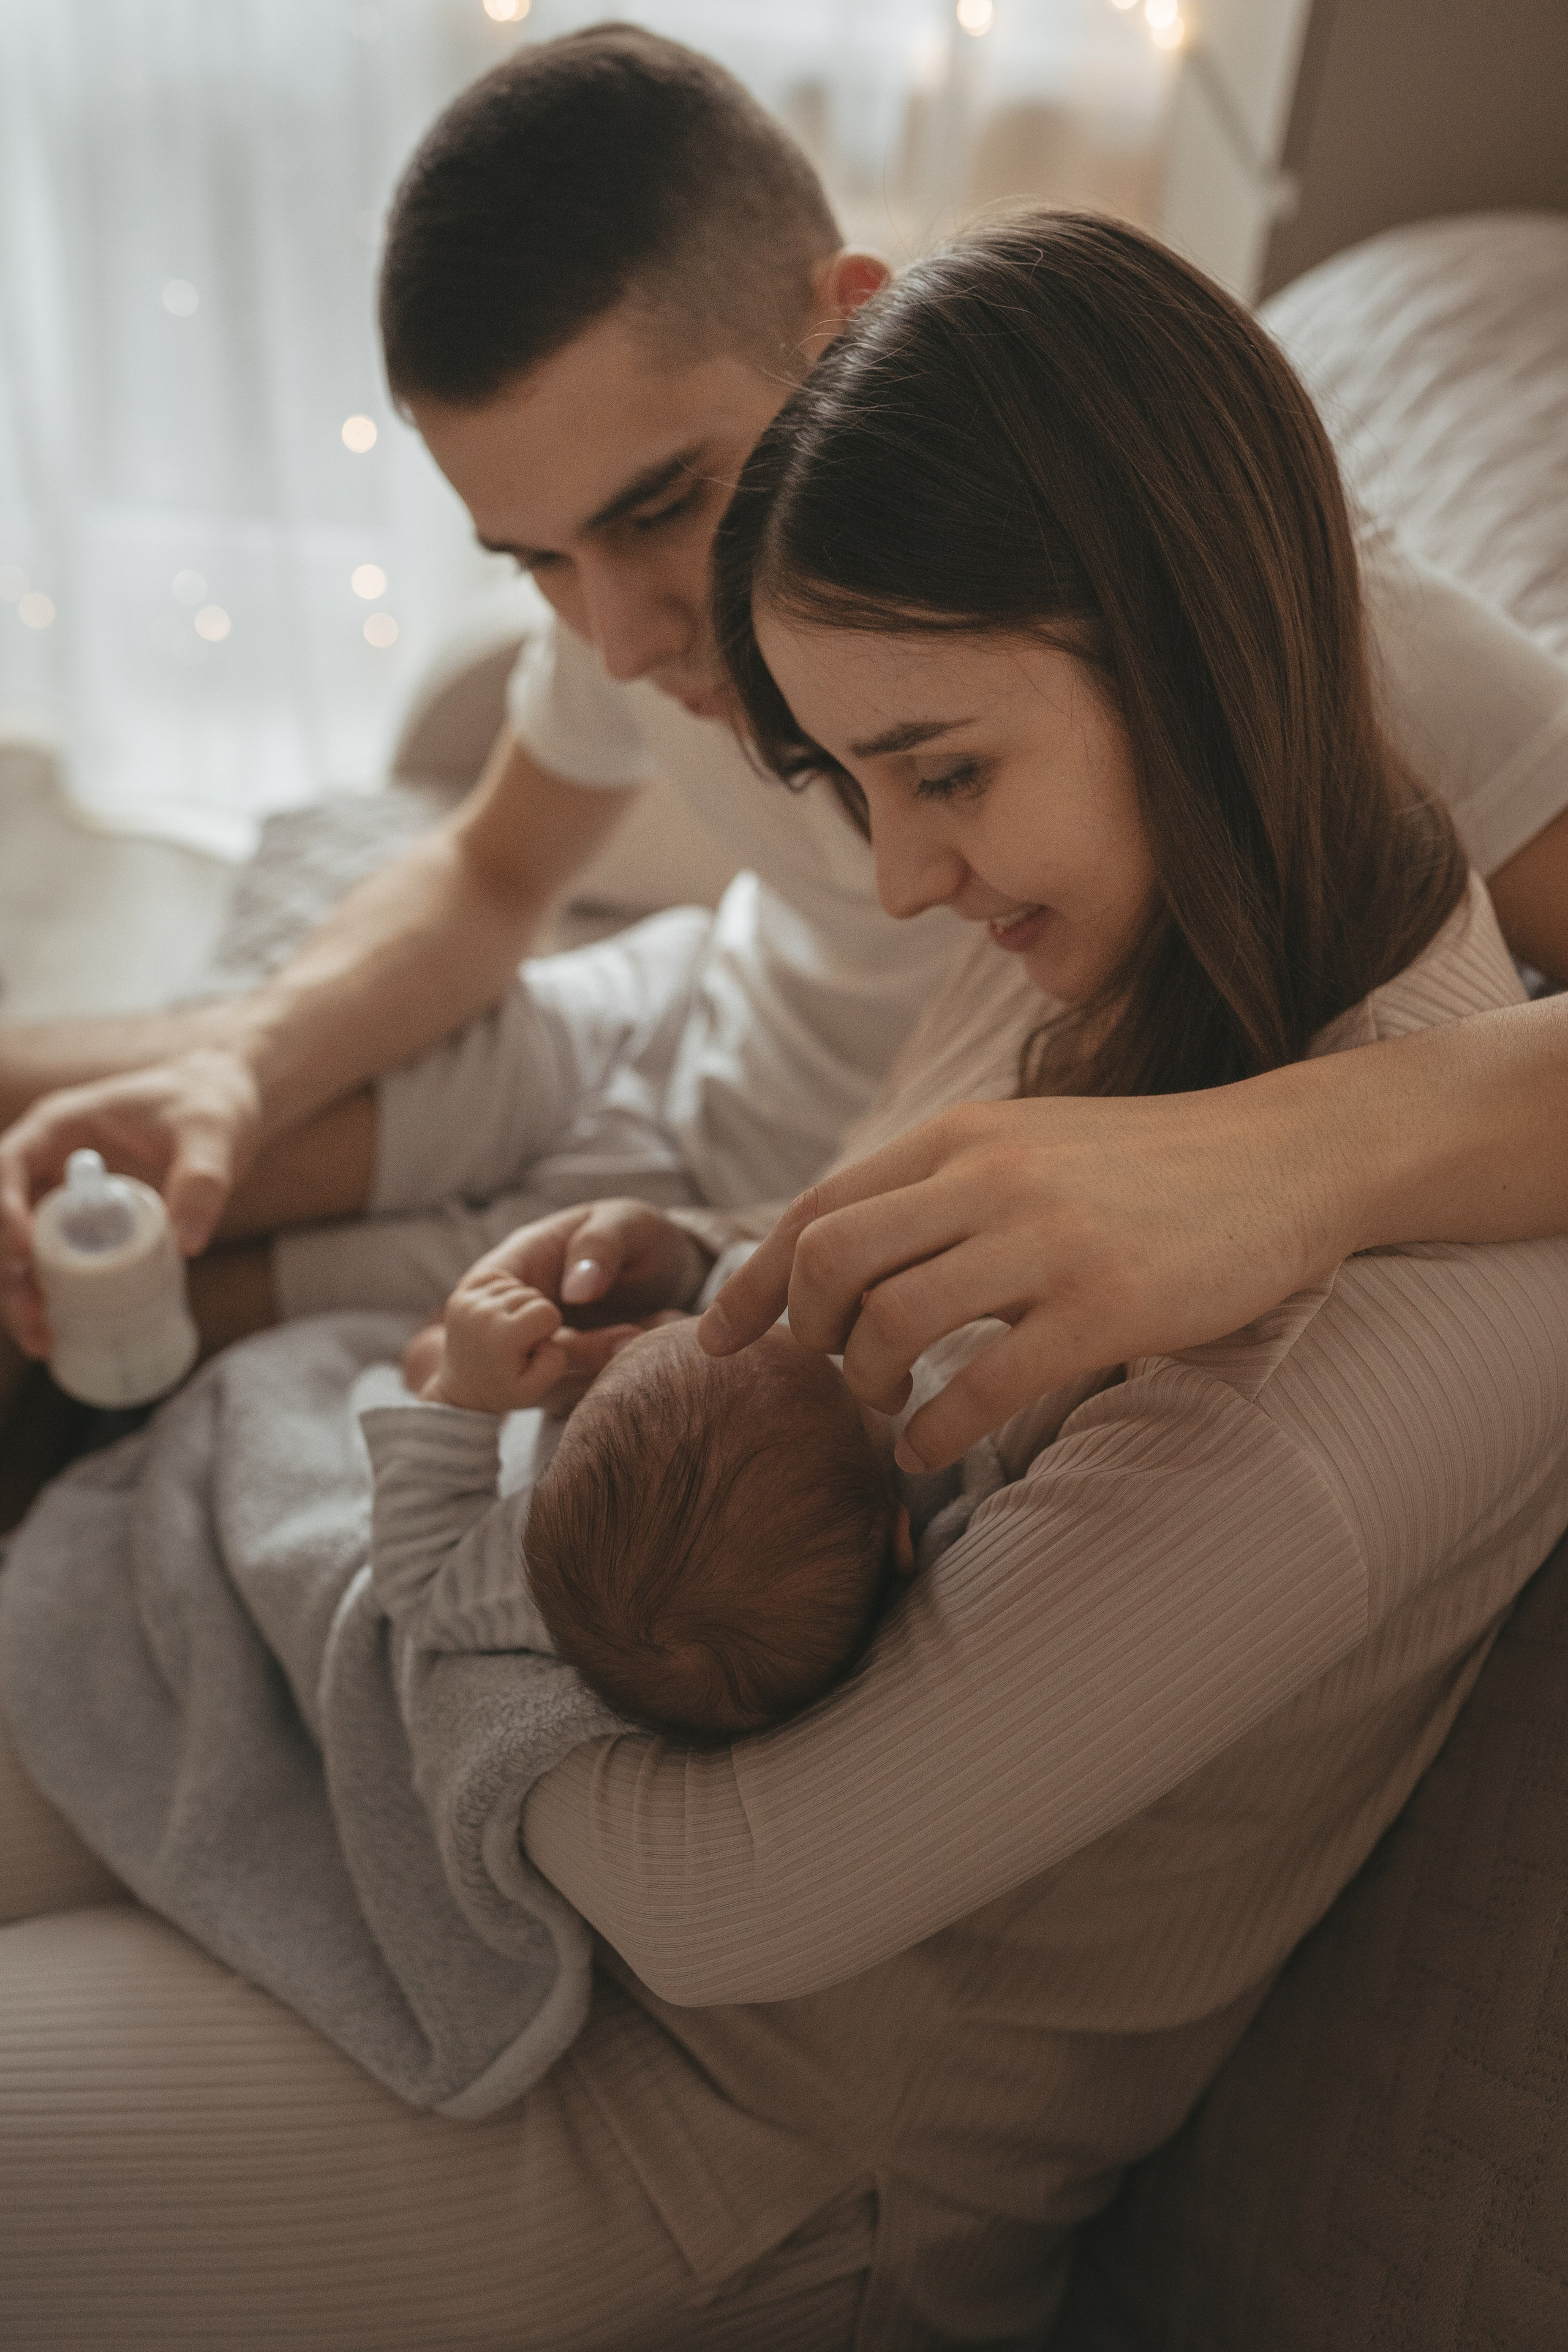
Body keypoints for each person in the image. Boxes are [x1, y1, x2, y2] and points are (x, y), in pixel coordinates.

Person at [6, 209, 1567, 2351]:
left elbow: (719, 1909)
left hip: (737, 2127)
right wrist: (729, 1263)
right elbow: (894, 1319)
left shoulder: (1329, 1376)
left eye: (943, 773)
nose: (904, 876)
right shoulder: (1148, 947)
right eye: (858, 786)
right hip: (510, 1839)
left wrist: (450, 1547)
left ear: (1197, 643)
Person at [4, 23, 1568, 1439]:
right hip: (660, 1030)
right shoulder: (635, 607)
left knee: (82, 1330)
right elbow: (492, 874)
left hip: (750, 1215)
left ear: (848, 332)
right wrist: (244, 1068)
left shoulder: (1291, 627)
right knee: (57, 1142)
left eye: (657, 508)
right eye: (534, 560)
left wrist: (1289, 1155)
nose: (611, 638)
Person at [375, 1226, 907, 1741]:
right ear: (901, 1541)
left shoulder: (526, 1575)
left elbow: (417, 1581)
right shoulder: (821, 1562)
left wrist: (463, 1394)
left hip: (508, 1406)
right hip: (588, 1357)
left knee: (429, 1352)